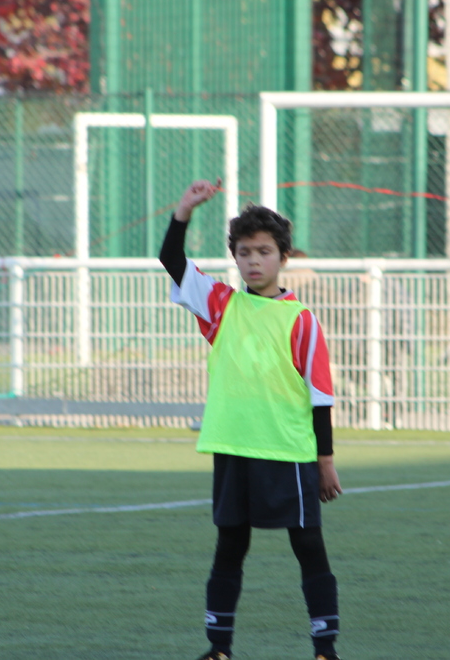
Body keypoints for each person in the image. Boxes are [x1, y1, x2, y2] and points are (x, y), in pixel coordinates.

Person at [159, 179, 343, 660]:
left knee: (309, 547)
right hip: (233, 447)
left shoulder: (301, 319)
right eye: (244, 252)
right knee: (229, 549)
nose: (254, 260)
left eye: (264, 251)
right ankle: (219, 649)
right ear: (235, 258)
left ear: (283, 257)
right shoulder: (222, 305)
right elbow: (172, 260)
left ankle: (325, 649)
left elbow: (320, 396)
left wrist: (325, 461)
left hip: (288, 451)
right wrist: (184, 209)